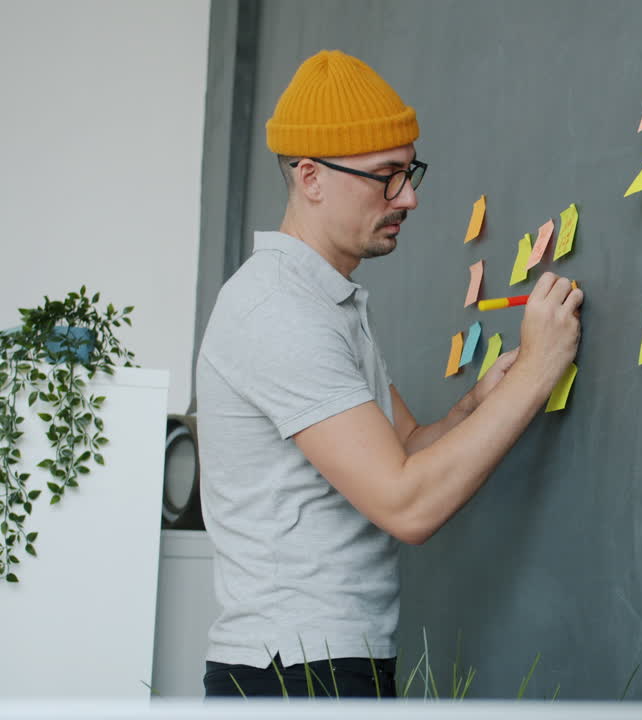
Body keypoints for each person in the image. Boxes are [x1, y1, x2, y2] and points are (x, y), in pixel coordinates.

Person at [196, 49, 583, 698]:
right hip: (291, 673)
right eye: (385, 176)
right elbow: (407, 503)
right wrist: (536, 372)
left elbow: (401, 450)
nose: (409, 196)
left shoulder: (326, 302)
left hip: (333, 661)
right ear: (311, 177)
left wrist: (479, 401)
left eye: (410, 172)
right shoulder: (278, 311)